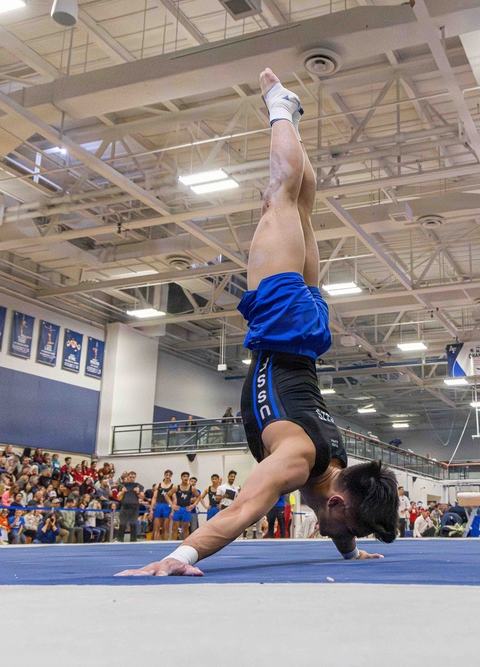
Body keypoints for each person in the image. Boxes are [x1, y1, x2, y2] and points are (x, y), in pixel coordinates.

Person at [118, 70, 398, 577]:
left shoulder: (337, 462)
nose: (342, 535)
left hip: (307, 339)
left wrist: (353, 551)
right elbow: (242, 510)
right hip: (283, 329)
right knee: (281, 196)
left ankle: (290, 118)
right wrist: (179, 557)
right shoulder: (296, 465)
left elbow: (338, 512)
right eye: (348, 530)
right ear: (336, 503)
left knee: (304, 207)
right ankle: (279, 107)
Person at [114, 472, 144, 542]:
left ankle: (133, 540)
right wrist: (122, 492)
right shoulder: (122, 486)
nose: (132, 479)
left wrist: (138, 492)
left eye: (133, 477)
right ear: (128, 477)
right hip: (124, 507)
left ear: (135, 478)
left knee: (133, 524)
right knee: (122, 524)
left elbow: (142, 496)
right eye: (130, 477)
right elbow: (118, 498)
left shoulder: (138, 486)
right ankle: (120, 540)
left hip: (134, 507)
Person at [168, 472, 197, 541]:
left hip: (186, 510)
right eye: (184, 476)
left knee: (186, 529)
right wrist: (172, 505)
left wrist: (193, 505)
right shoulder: (176, 487)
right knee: (175, 528)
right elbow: (167, 495)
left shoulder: (192, 488)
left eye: (187, 476)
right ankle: (172, 544)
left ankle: (185, 544)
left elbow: (199, 497)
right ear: (181, 478)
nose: (186, 478)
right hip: (178, 509)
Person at [150, 470, 175, 541]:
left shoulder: (173, 486)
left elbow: (174, 499)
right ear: (164, 475)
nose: (167, 476)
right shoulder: (158, 485)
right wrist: (151, 510)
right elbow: (154, 498)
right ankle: (155, 544)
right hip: (159, 506)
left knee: (165, 528)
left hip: (167, 506)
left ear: (171, 476)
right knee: (156, 527)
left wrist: (172, 511)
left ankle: (165, 544)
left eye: (169, 475)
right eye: (166, 475)